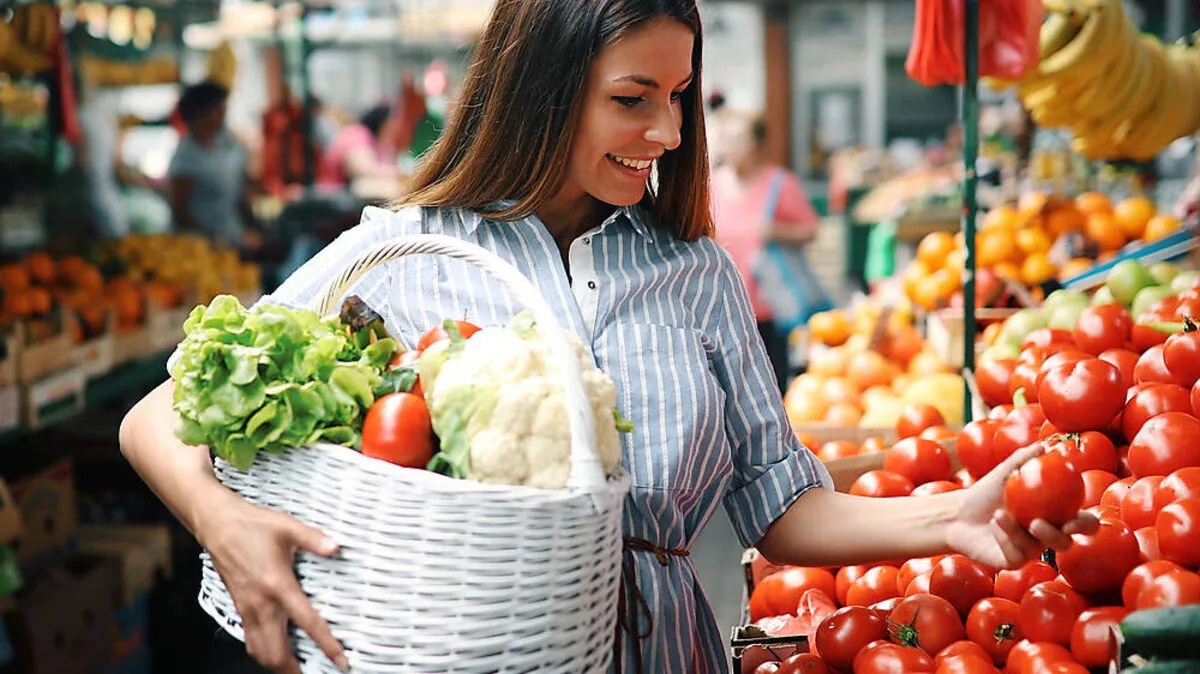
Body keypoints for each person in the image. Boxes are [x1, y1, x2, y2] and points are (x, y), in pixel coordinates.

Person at [119, 0, 1097, 672]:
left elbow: (782, 506)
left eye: (679, 97)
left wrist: (951, 518)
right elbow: (158, 414)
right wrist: (225, 526)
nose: (667, 132)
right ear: (540, 91)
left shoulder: (695, 270)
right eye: (633, 99)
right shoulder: (406, 253)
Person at [710, 110, 821, 389]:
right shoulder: (710, 184)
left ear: (756, 143)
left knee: (772, 385)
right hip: (723, 308)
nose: (728, 146)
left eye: (737, 139)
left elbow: (810, 229)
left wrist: (776, 231)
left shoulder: (779, 183)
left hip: (770, 308)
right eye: (725, 138)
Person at [167, 81, 259, 248]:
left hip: (233, 237)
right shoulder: (185, 157)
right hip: (199, 246)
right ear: (200, 114)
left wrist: (253, 226)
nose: (223, 114)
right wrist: (212, 237)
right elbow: (179, 213)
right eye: (218, 109)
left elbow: (241, 191)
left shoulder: (228, 144)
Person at [318, 103, 404, 190]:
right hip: (334, 191)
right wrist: (398, 173)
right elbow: (362, 169)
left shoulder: (381, 142)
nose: (397, 128)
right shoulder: (358, 134)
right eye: (393, 123)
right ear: (383, 122)